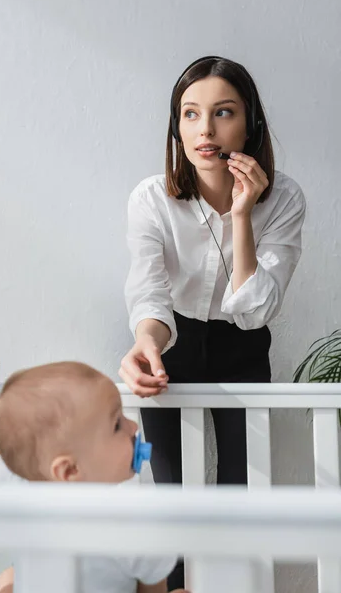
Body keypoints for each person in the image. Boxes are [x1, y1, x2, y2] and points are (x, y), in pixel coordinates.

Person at [120, 55, 306, 487]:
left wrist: (241, 216)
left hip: (243, 348)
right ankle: (176, 560)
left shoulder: (285, 200)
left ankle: (234, 558)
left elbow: (254, 314)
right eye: (190, 114)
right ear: (177, 129)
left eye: (223, 112)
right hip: (169, 342)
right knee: (169, 490)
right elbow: (149, 292)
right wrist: (146, 342)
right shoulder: (150, 199)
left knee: (244, 490)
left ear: (251, 125)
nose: (205, 129)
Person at [0, 350, 189, 593]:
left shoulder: (17, 489)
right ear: (69, 470)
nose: (134, 425)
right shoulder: (135, 523)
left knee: (8, 579)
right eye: (117, 424)